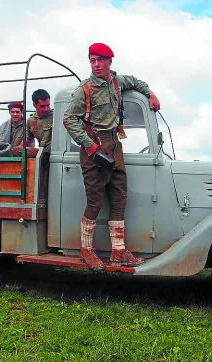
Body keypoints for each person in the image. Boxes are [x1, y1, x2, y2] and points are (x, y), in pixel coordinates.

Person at [63, 43, 161, 271]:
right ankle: (87, 250)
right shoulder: (84, 89)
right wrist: (89, 146)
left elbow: (137, 82)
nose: (96, 65)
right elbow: (69, 119)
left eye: (100, 60)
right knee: (95, 200)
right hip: (93, 145)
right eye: (92, 60)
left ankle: (118, 250)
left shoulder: (118, 82)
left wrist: (151, 94)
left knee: (119, 197)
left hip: (114, 144)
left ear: (109, 61)